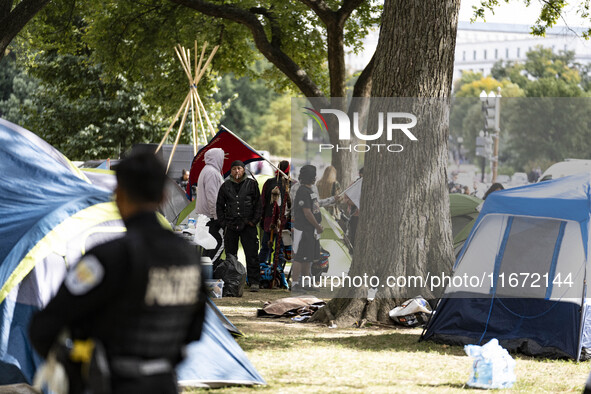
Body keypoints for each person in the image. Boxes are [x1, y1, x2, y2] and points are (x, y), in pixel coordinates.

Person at [29, 152, 206, 394]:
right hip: (165, 383)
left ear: (118, 195)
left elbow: (44, 327)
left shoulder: (110, 257)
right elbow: (194, 329)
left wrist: (75, 368)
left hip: (113, 383)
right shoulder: (188, 257)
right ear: (164, 197)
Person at [216, 160, 262, 291]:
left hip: (248, 225)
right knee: (230, 255)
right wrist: (223, 223)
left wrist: (253, 221)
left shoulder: (252, 184)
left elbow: (258, 205)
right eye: (234, 168)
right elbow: (219, 206)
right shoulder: (225, 186)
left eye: (239, 168)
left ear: (243, 170)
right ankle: (232, 281)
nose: (237, 171)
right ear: (231, 171)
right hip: (230, 225)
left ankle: (254, 282)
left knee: (252, 254)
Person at [258, 161, 291, 286]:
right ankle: (268, 275)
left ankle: (275, 276)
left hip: (271, 221)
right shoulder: (287, 184)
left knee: (268, 248)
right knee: (278, 249)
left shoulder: (271, 183)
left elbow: (263, 202)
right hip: (275, 221)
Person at [292, 165, 323, 291]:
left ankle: (306, 283)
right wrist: (317, 226)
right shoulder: (302, 191)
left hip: (310, 230)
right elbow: (307, 212)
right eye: (313, 176)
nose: (314, 178)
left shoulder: (310, 190)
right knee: (299, 257)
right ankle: (295, 284)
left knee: (308, 257)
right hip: (303, 229)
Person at [195, 148, 225, 264]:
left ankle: (206, 271)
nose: (222, 161)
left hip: (208, 216)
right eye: (221, 158)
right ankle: (209, 269)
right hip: (212, 216)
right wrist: (217, 216)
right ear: (216, 158)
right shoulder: (212, 173)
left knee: (210, 247)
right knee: (218, 243)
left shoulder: (206, 170)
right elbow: (212, 197)